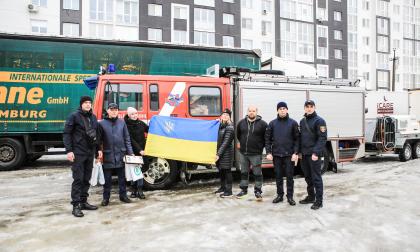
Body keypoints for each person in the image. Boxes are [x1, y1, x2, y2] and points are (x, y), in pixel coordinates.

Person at [63, 96, 102, 218]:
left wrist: (98, 151)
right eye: (85, 103)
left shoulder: (93, 117)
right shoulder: (74, 116)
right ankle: (76, 205)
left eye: (90, 103)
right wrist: (69, 150)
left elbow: (96, 135)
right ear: (81, 104)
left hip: (90, 152)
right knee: (78, 179)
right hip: (78, 152)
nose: (88, 105)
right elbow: (67, 133)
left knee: (86, 179)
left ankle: (83, 202)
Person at [98, 103, 134, 206]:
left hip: (120, 154)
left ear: (118, 111)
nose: (114, 111)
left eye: (116, 109)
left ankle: (123, 196)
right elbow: (99, 141)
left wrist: (130, 152)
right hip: (108, 155)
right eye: (112, 109)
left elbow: (127, 139)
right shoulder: (101, 124)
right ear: (107, 111)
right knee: (107, 179)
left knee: (122, 178)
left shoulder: (122, 122)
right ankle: (106, 198)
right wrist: (98, 154)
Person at [265, 102, 300, 206]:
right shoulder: (272, 123)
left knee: (290, 177)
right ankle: (280, 195)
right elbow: (267, 139)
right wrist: (268, 152)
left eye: (284, 108)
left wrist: (295, 152)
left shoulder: (293, 123)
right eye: (280, 109)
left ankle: (290, 197)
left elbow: (297, 139)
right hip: (276, 155)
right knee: (278, 176)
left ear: (287, 110)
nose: (282, 110)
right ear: (277, 110)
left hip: (289, 155)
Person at [299, 100, 327, 210]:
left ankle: (319, 201)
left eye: (311, 106)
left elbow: (322, 138)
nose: (309, 108)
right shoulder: (302, 121)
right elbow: (301, 138)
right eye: (307, 106)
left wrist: (316, 152)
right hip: (304, 155)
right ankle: (311, 197)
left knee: (316, 178)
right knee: (308, 177)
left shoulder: (319, 121)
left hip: (314, 155)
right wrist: (299, 152)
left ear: (314, 107)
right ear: (304, 108)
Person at [235, 105, 267, 201]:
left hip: (256, 153)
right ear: (247, 112)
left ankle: (258, 191)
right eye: (250, 111)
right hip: (243, 153)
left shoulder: (263, 124)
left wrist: (260, 147)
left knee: (257, 173)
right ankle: (243, 190)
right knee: (244, 172)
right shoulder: (241, 123)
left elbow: (266, 138)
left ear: (257, 112)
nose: (251, 112)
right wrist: (240, 143)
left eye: (253, 111)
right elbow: (238, 135)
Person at [124, 107, 149, 200]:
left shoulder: (140, 123)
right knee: (133, 171)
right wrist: (139, 150)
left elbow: (149, 130)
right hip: (133, 152)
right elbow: (131, 140)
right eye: (132, 114)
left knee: (140, 171)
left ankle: (139, 190)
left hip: (142, 151)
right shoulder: (126, 125)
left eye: (135, 113)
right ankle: (134, 190)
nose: (134, 116)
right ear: (129, 115)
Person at [215, 108, 235, 198]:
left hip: (226, 153)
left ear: (229, 117)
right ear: (221, 116)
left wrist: (218, 154)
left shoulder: (230, 127)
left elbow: (225, 143)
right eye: (224, 114)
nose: (225, 116)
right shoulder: (220, 126)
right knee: (221, 171)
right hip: (220, 153)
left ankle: (229, 191)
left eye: (227, 115)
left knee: (227, 171)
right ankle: (223, 188)